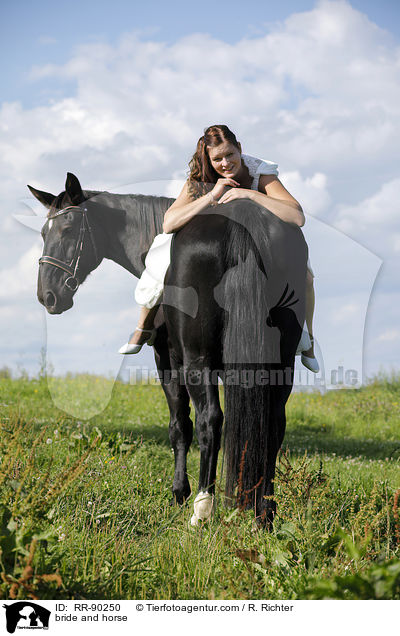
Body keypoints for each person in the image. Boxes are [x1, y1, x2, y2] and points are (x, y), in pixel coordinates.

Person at [119, 124, 319, 372]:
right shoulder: (199, 177)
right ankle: (143, 327)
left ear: (240, 149)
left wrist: (250, 195)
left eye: (230, 154)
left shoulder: (260, 172)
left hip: (258, 234)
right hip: (212, 236)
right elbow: (169, 223)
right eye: (217, 158)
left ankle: (307, 339)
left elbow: (297, 217)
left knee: (306, 276)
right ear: (208, 158)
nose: (225, 163)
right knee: (162, 254)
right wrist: (211, 196)